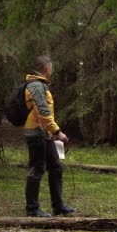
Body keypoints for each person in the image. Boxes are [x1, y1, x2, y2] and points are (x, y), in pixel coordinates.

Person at [23, 55, 75, 217]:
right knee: (37, 169)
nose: (52, 71)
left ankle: (58, 206)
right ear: (46, 68)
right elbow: (43, 113)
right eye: (51, 68)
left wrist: (51, 132)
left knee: (55, 167)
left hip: (44, 133)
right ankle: (32, 209)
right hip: (36, 133)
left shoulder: (40, 85)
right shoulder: (36, 86)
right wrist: (57, 132)